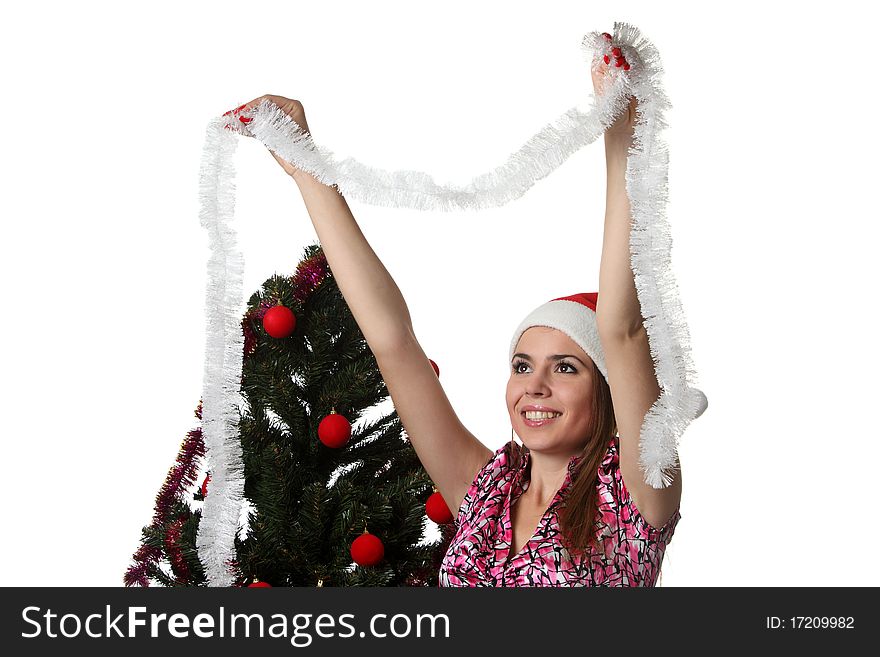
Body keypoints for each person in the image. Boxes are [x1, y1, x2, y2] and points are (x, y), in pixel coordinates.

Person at [227, 52, 682, 586]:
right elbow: (392, 342)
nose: (534, 387)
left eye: (565, 368)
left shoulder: (636, 493)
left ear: (608, 389)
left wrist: (621, 123)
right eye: (521, 365)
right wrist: (306, 168)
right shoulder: (487, 491)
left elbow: (622, 329)